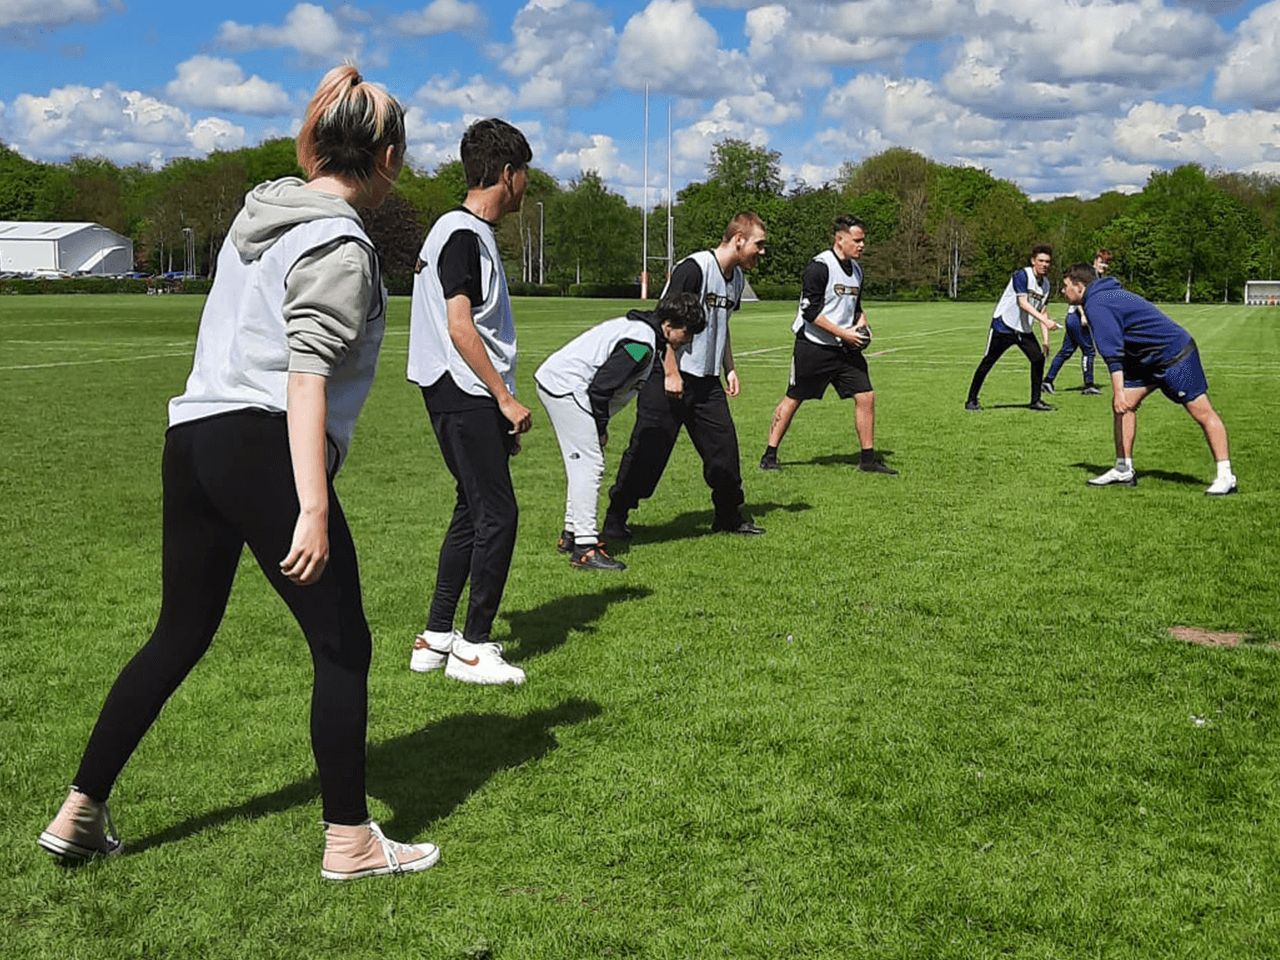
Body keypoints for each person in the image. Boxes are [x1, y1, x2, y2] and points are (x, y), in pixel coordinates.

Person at [38, 65, 438, 880]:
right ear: (387, 155)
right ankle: (351, 839)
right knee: (342, 644)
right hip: (263, 441)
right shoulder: (339, 240)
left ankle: (81, 809)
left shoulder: (258, 218)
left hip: (192, 438)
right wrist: (313, 504)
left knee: (179, 632)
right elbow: (304, 376)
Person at [407, 118, 532, 685]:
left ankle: (435, 637)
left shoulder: (464, 233)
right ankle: (474, 645)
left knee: (471, 509)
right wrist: (504, 398)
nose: (527, 185)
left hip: (457, 392)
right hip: (465, 392)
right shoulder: (461, 234)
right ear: (507, 174)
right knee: (499, 516)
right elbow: (462, 327)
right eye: (525, 173)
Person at [602, 213, 768, 540]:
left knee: (724, 453)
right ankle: (615, 517)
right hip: (667, 378)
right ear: (738, 239)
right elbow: (660, 322)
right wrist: (670, 371)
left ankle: (728, 517)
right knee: (647, 451)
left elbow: (723, 325)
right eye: (758, 245)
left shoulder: (735, 279)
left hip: (706, 383)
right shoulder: (693, 269)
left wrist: (729, 367)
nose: (761, 252)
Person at [536, 293, 707, 570]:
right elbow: (602, 387)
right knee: (589, 465)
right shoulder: (640, 345)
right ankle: (585, 547)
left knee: (581, 461)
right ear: (668, 325)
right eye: (686, 333)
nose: (687, 340)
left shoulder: (643, 333)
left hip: (558, 382)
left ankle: (571, 534)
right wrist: (599, 427)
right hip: (568, 386)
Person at [1061, 262, 1237, 496]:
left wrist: (1118, 392)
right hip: (1147, 360)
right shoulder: (1104, 295)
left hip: (1174, 356)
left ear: (1080, 286)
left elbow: (1112, 353)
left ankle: (1226, 477)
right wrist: (1122, 396)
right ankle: (1123, 469)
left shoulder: (1096, 304)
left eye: (1065, 286)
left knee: (1202, 412)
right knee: (1125, 409)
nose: (1062, 292)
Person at [759, 216, 896, 475]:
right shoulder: (819, 266)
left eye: (863, 240)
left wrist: (863, 325)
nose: (862, 245)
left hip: (844, 348)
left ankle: (867, 460)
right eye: (857, 240)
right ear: (839, 239)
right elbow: (810, 312)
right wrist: (844, 334)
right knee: (795, 397)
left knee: (866, 396)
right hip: (814, 345)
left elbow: (856, 307)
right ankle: (770, 455)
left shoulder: (857, 270)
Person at [965, 245, 1060, 411]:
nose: (1044, 264)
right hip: (1004, 326)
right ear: (1033, 261)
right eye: (1041, 261)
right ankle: (971, 400)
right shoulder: (1022, 275)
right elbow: (1023, 303)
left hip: (1023, 330)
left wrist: (1045, 340)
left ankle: (1035, 401)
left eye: (1048, 262)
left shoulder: (1046, 285)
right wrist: (1046, 322)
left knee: (1038, 359)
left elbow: (1042, 310)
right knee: (989, 361)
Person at [1043, 250, 1111, 396]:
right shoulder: (1089, 276)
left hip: (1073, 317)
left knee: (1066, 351)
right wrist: (1084, 314)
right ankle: (1088, 385)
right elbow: (1079, 294)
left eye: (1106, 264)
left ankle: (1047, 381)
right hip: (1076, 316)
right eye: (1101, 262)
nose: (1103, 266)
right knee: (1089, 350)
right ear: (1095, 261)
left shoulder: (1097, 276)